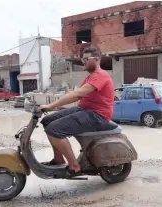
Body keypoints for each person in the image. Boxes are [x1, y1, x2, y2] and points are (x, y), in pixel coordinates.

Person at [39, 47, 114, 177]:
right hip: (85, 110)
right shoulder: (90, 77)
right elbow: (75, 93)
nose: (83, 62)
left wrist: (51, 106)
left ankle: (74, 166)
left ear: (96, 60)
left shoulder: (100, 75)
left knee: (54, 129)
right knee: (47, 121)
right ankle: (58, 159)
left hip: (97, 115)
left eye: (86, 59)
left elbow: (77, 95)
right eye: (82, 59)